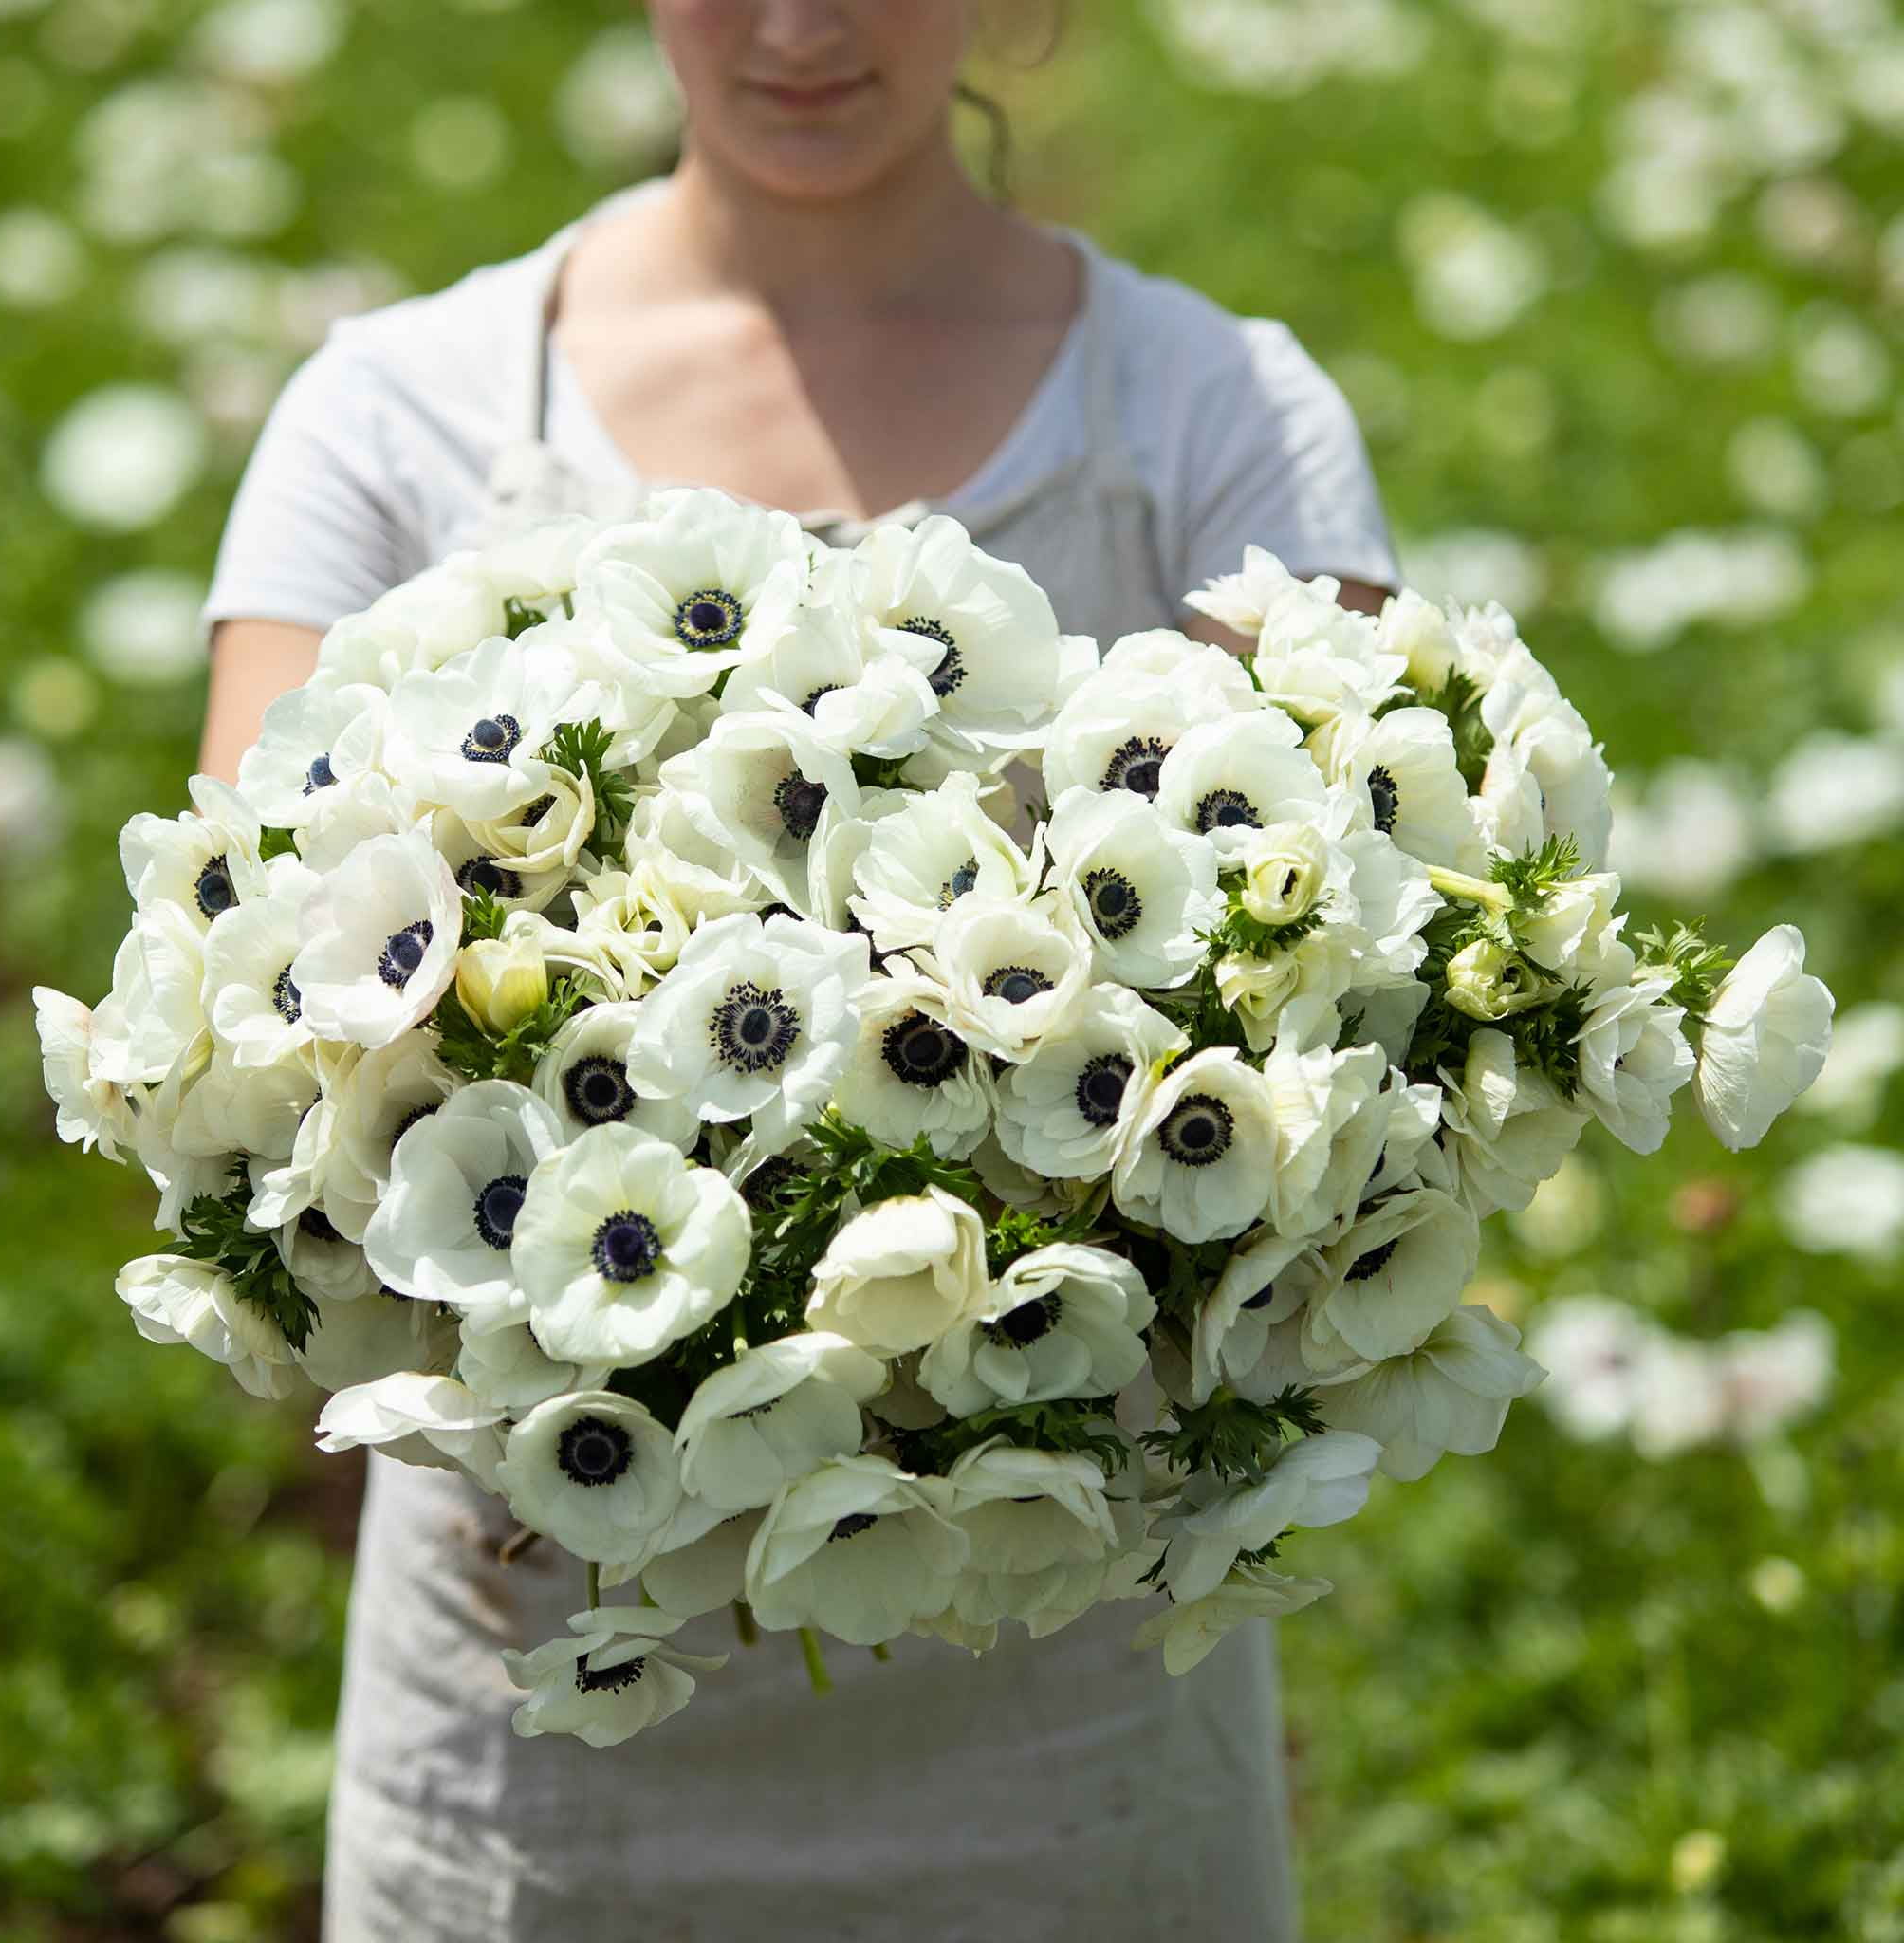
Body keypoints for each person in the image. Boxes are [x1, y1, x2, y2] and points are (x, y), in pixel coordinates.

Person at [195, 3, 1403, 1935]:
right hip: (544, 1687)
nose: (798, 25)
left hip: (1069, 1681)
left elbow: (1354, 985)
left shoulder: (1213, 416)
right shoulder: (404, 411)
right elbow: (254, 1010)